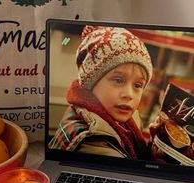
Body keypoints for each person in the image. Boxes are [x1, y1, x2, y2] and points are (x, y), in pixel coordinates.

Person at [49, 25, 154, 159]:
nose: (129, 94)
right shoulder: (92, 141)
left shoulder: (122, 120)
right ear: (91, 83)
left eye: (138, 85)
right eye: (118, 80)